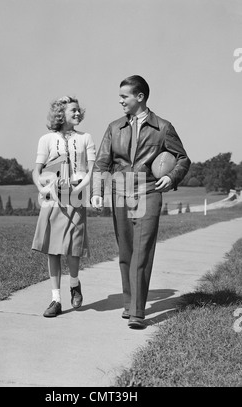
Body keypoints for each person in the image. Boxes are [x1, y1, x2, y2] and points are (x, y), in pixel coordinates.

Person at [91, 75, 191, 329]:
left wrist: (171, 176)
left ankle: (137, 311)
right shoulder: (114, 128)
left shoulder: (164, 127)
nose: (120, 101)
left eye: (124, 96)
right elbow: (102, 162)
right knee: (126, 252)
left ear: (140, 97)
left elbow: (183, 159)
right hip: (120, 192)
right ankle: (129, 304)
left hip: (148, 191)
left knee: (142, 251)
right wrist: (96, 190)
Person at [32, 96, 96, 318]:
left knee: (73, 246)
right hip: (52, 200)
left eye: (79, 110)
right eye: (73, 110)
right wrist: (42, 189)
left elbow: (91, 170)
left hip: (76, 197)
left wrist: (79, 190)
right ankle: (56, 300)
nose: (78, 114)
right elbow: (37, 171)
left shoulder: (86, 138)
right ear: (61, 114)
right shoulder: (46, 139)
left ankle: (75, 284)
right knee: (53, 249)